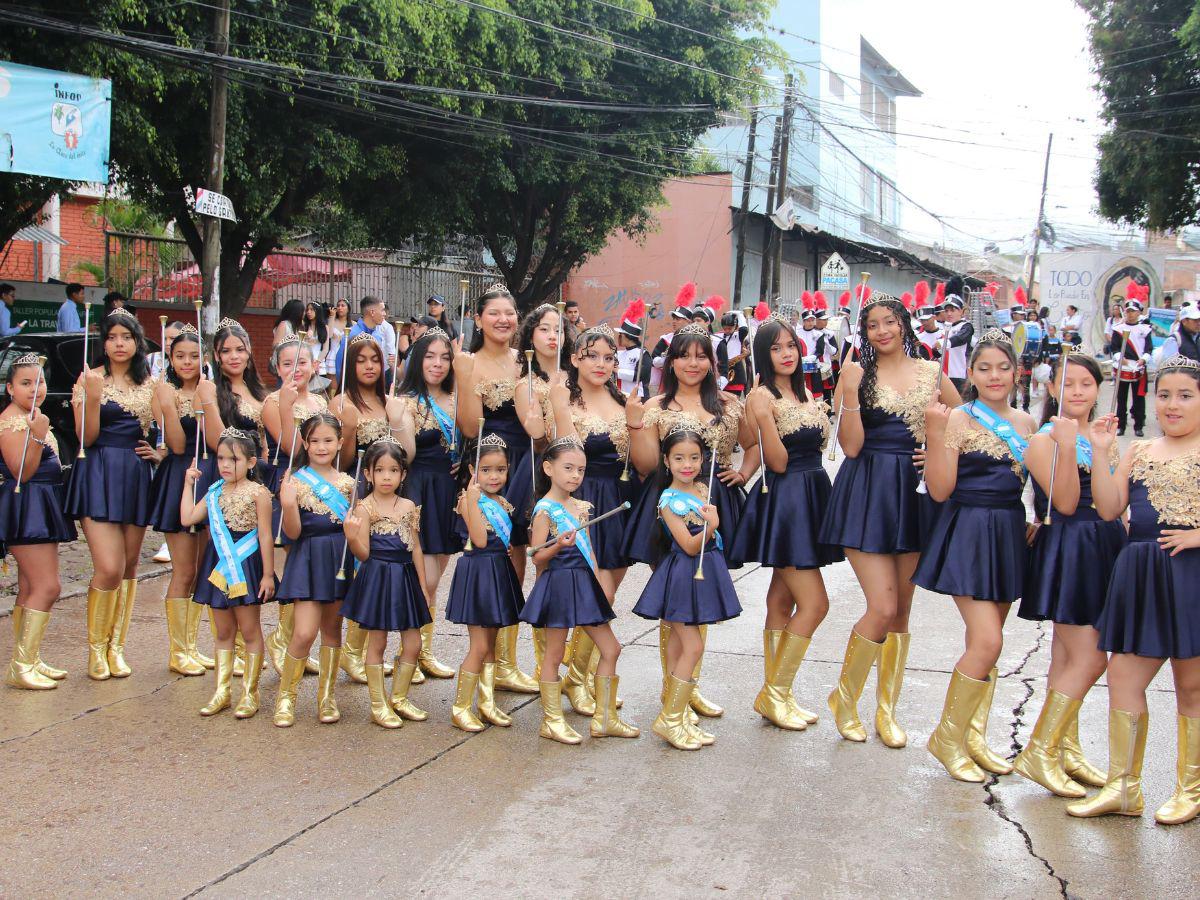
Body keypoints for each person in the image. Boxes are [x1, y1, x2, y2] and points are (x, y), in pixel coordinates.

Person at [819, 296, 961, 748]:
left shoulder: (931, 372)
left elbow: (967, 421)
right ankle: (844, 698)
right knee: (880, 608)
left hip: (916, 494)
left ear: (904, 325)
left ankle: (886, 710)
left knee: (901, 610)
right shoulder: (859, 375)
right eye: (873, 324)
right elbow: (852, 447)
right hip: (868, 492)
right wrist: (848, 391)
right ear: (865, 332)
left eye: (890, 322)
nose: (882, 330)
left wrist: (938, 446)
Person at [1067, 355, 1200, 824]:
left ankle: (1191, 788)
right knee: (1123, 676)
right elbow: (1107, 508)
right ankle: (1124, 788)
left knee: (1192, 685)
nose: (1172, 404)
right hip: (1141, 571)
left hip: (1192, 574)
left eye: (1185, 395)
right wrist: (1102, 452)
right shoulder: (1140, 449)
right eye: (1164, 395)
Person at [917, 330, 1037, 783]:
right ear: (971, 373)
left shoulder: (1027, 423)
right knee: (988, 641)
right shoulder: (959, 419)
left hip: (1007, 534)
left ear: (1016, 372)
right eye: (984, 368)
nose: (994, 376)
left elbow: (1036, 482)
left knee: (983, 644)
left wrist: (1039, 516)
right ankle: (947, 737)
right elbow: (941, 490)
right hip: (967, 530)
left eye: (1002, 367)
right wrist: (934, 434)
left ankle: (974, 736)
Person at [624, 324, 758, 720]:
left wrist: (744, 473)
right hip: (666, 505)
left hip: (712, 502)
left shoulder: (730, 405)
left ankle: (688, 687)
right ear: (672, 361)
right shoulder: (655, 406)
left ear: (711, 362)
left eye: (702, 356)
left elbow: (752, 445)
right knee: (674, 600)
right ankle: (673, 693)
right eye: (684, 355)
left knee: (700, 594)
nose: (693, 363)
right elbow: (647, 465)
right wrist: (636, 424)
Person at [1014, 352, 1121, 797]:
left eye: (1086, 384)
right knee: (1092, 656)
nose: (1077, 392)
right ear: (1052, 389)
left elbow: (1114, 499)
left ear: (1098, 389)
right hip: (1071, 546)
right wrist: (1063, 444)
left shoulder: (1101, 436)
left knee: (1064, 657)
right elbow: (1066, 503)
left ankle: (1064, 748)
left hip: (1104, 544)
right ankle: (1039, 750)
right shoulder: (1043, 439)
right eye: (1068, 384)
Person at [731, 318, 843, 731]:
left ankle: (778, 693)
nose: (787, 353)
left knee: (782, 601)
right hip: (789, 499)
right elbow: (776, 462)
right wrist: (761, 418)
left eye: (791, 345)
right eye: (777, 348)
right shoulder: (762, 397)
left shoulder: (806, 390)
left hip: (812, 494)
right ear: (765, 354)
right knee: (816, 604)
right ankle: (774, 692)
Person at [453, 284, 540, 694]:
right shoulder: (468, 362)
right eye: (495, 313)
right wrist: (467, 379)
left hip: (527, 462)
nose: (504, 319)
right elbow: (469, 427)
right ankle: (486, 660)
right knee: (492, 555)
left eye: (510, 312)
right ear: (479, 319)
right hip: (490, 465)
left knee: (519, 555)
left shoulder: (526, 361)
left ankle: (507, 660)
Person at [548, 324, 639, 715]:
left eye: (608, 358)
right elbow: (567, 453)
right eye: (592, 356)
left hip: (616, 503)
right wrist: (559, 407)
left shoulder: (624, 402)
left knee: (607, 594)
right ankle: (575, 679)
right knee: (591, 595)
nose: (601, 364)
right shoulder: (564, 400)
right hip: (579, 501)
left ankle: (578, 677)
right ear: (574, 359)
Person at [522, 437, 636, 744]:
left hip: (585, 584)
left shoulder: (581, 507)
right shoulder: (545, 510)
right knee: (555, 653)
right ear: (548, 468)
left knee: (612, 648)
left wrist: (599, 580)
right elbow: (536, 557)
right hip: (558, 584)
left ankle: (605, 718)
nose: (575, 475)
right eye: (568, 468)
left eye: (581, 470)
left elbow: (591, 552)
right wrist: (558, 545)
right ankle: (552, 720)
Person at [67, 308, 160, 681]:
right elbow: (84, 438)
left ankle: (116, 647)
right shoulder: (89, 379)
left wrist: (162, 452)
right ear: (103, 342)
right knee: (108, 567)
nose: (119, 343)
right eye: (112, 337)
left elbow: (170, 429)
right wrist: (91, 398)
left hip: (135, 475)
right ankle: (95, 650)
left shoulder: (150, 383)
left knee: (130, 565)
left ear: (137, 342)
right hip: (98, 470)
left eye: (126, 336)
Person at [634, 427, 741, 749]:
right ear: (666, 461)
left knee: (682, 648)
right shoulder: (667, 499)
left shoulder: (701, 488)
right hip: (682, 575)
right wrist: (712, 526)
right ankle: (669, 719)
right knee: (692, 647)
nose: (687, 464)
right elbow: (688, 545)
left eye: (694, 458)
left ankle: (677, 717)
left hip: (703, 574)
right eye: (679, 458)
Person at [340, 437, 434, 729]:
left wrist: (423, 585)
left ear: (403, 474)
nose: (386, 477)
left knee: (413, 640)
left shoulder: (407, 505)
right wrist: (351, 534)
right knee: (377, 641)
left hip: (405, 576)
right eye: (380, 470)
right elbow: (363, 554)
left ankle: (400, 698)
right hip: (377, 577)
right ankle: (378, 705)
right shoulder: (364, 508)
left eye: (393, 470)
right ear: (368, 473)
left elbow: (415, 547)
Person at [195, 319, 271, 675]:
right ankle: (230, 644)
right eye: (226, 350)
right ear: (216, 355)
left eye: (240, 349)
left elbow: (269, 442)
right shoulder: (213, 391)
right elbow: (215, 440)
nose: (234, 356)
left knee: (252, 557)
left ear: (250, 352)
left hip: (256, 481)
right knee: (223, 555)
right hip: (223, 478)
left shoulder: (260, 392)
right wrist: (208, 398)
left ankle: (248, 642)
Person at [181, 428, 274, 717]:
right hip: (218, 565)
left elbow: (266, 536)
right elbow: (187, 518)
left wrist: (268, 575)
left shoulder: (259, 493)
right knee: (222, 631)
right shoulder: (213, 492)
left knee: (248, 629)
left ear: (250, 462)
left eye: (233, 459)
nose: (224, 465)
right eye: (221, 458)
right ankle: (221, 691)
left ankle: (250, 692)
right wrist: (187, 485)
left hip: (245, 566)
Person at [273, 412, 356, 726]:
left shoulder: (349, 484)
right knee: (304, 632)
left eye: (328, 440)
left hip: (337, 558)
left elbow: (355, 531)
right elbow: (291, 534)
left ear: (339, 443)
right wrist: (290, 504)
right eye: (315, 441)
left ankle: (326, 697)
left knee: (333, 631)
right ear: (305, 443)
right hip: (307, 557)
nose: (322, 447)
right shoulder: (296, 481)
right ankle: (286, 697)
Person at [1, 355, 76, 689]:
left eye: (40, 382)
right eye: (26, 383)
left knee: (32, 586)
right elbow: (22, 473)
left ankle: (28, 657)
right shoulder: (13, 422)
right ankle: (22, 664)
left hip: (40, 505)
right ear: (9, 387)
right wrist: (37, 436)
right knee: (48, 586)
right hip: (25, 506)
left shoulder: (30, 418)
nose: (35, 389)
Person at [445, 433, 525, 731]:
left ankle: (487, 701)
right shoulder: (469, 500)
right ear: (472, 471)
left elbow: (500, 541)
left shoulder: (501, 501)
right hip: (478, 574)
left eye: (500, 470)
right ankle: (460, 706)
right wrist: (474, 501)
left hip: (496, 570)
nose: (494, 476)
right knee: (478, 646)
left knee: (490, 644)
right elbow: (478, 539)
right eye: (486, 470)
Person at [148, 325, 215, 674]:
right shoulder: (164, 393)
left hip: (210, 477)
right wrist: (170, 407)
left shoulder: (209, 388)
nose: (186, 362)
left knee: (203, 567)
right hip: (179, 477)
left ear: (203, 358)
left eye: (193, 356)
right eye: (179, 356)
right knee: (184, 569)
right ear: (170, 359)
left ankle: (191, 645)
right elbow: (174, 444)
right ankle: (178, 651)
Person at [397, 329, 461, 681]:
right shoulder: (405, 400)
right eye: (430, 356)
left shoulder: (457, 397)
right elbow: (404, 453)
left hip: (448, 491)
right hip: (418, 487)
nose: (437, 364)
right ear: (417, 360)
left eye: (444, 357)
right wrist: (397, 419)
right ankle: (409, 650)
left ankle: (423, 651)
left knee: (436, 580)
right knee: (425, 577)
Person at [1109, 293, 1153, 436]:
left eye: (1133, 311)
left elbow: (1149, 348)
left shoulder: (1145, 329)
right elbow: (1114, 347)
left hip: (1138, 368)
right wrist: (1120, 358)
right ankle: (1120, 425)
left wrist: (1143, 360)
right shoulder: (1118, 329)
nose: (1130, 314)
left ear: (1139, 312)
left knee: (1139, 399)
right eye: (1128, 311)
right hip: (1123, 367)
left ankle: (1138, 426)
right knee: (1121, 399)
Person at [334, 296, 397, 381]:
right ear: (372, 312)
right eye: (382, 310)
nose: (384, 314)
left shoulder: (377, 335)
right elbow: (341, 366)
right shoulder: (351, 334)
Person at [651, 285, 697, 394]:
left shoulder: (697, 339)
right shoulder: (666, 339)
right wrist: (667, 360)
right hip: (669, 382)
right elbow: (654, 359)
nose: (674, 322)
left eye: (678, 319)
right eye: (673, 319)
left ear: (689, 321)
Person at [714, 312, 750, 397]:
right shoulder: (718, 336)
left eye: (730, 328)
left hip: (735, 370)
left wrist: (739, 314)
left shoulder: (738, 336)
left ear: (735, 326)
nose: (727, 331)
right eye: (725, 328)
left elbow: (744, 329)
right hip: (722, 368)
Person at [615, 320, 651, 400]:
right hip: (620, 395)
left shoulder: (643, 353)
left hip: (638, 397)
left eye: (621, 334)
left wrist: (618, 371)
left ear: (629, 337)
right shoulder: (619, 353)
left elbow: (639, 376)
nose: (619, 337)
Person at [324, 298, 351, 382]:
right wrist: (332, 317)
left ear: (348, 309)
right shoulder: (331, 321)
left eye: (343, 306)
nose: (340, 308)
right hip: (333, 355)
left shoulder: (353, 324)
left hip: (346, 355)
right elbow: (330, 335)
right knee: (333, 385)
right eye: (338, 306)